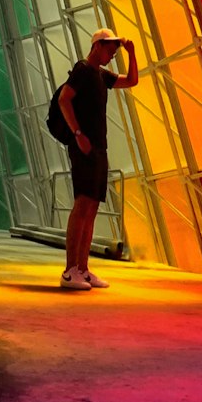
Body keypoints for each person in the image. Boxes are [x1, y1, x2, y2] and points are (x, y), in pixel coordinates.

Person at [58, 27, 138, 291]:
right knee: (82, 205)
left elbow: (132, 81)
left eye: (115, 53)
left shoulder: (102, 76)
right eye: (110, 51)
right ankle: (70, 270)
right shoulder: (82, 69)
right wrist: (77, 133)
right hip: (84, 146)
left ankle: (83, 268)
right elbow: (64, 99)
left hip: (98, 148)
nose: (111, 56)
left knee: (91, 208)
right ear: (97, 46)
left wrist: (132, 53)